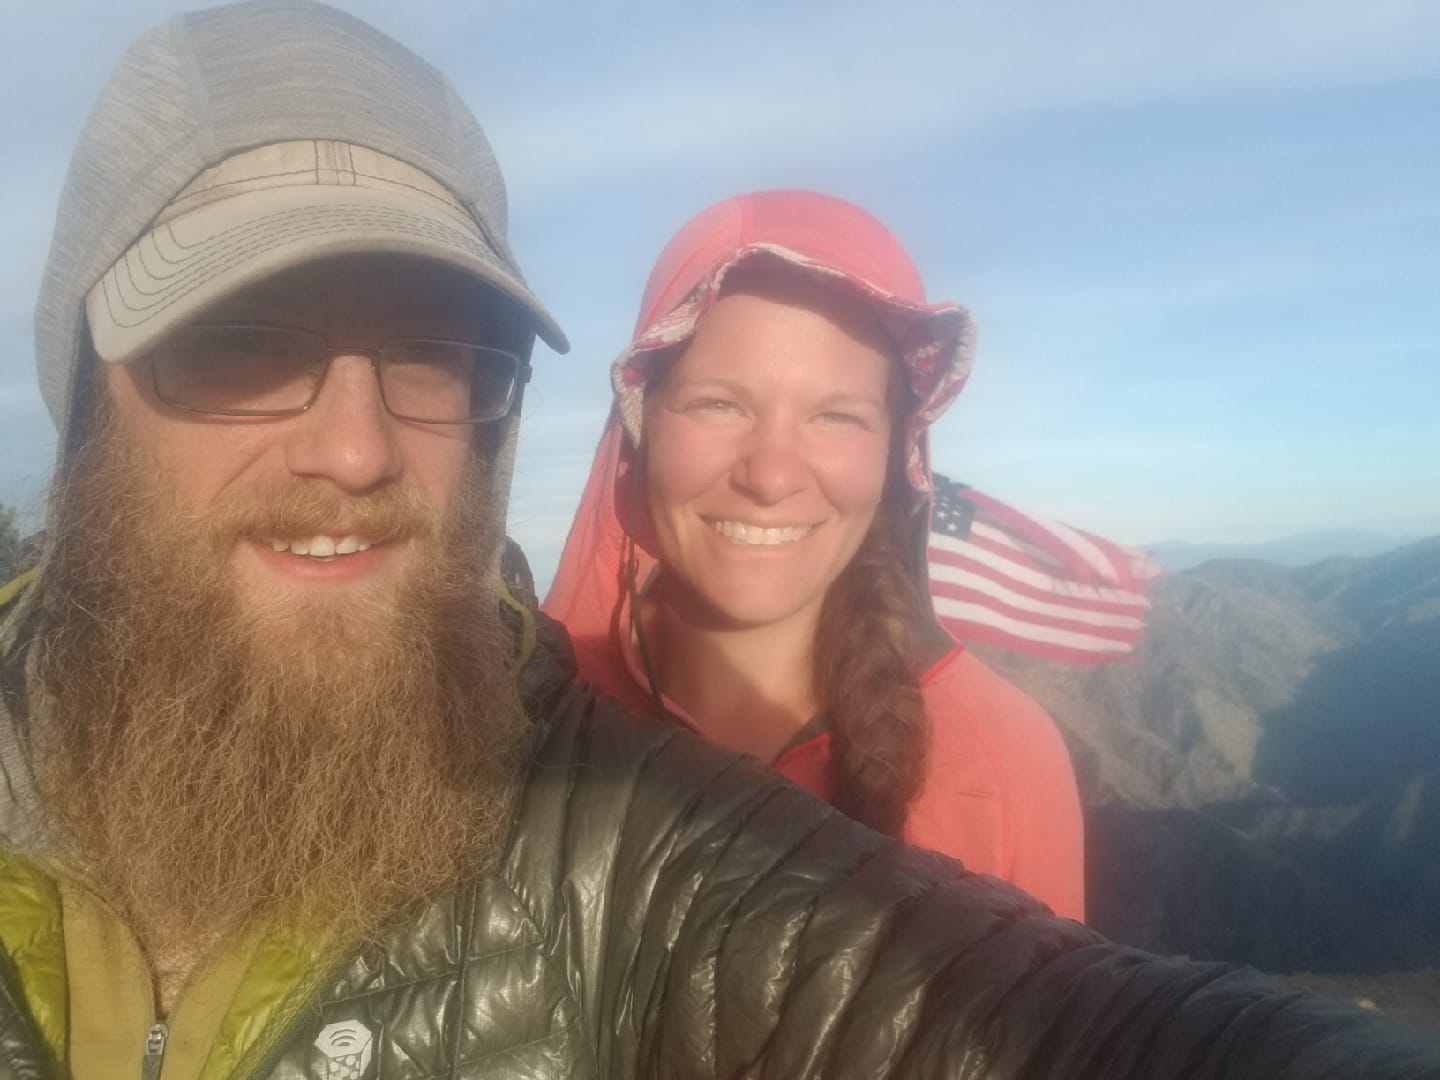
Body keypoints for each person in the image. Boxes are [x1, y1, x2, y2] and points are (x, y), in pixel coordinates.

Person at [1, 2, 1436, 1077]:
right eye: (246, 342)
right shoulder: (527, 703)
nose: (358, 445)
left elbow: (1029, 1011)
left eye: (434, 356)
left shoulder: (599, 810)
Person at [544, 190, 1086, 920]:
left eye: (836, 416)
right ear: (640, 431)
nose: (770, 476)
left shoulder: (1004, 762)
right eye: (718, 404)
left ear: (897, 455)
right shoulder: (529, 733)